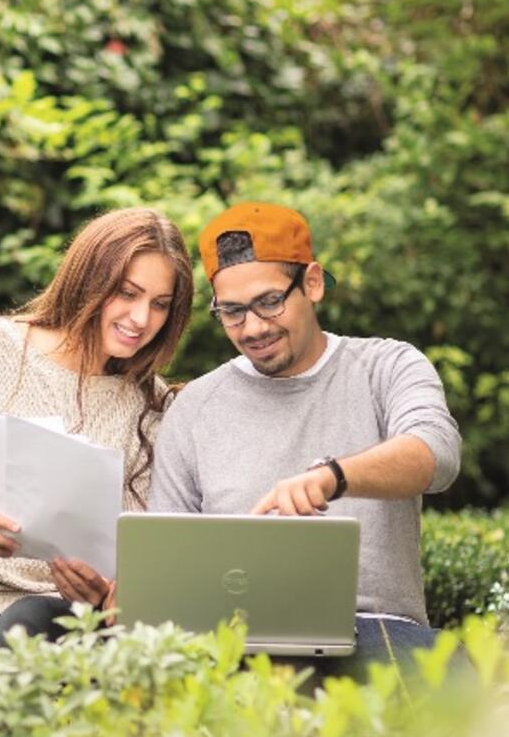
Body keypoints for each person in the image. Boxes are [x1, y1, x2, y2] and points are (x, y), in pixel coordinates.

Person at [148, 200, 462, 679]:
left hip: (377, 630)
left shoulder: (387, 366)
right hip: (237, 643)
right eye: (231, 312)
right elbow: (165, 565)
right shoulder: (193, 409)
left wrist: (333, 478)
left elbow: (436, 453)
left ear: (312, 283)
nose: (252, 328)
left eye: (269, 302)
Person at [0, 207, 194, 659]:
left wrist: (106, 590)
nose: (141, 318)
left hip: (70, 618)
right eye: (127, 293)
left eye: (160, 304)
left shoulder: (150, 407)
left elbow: (137, 551)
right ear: (89, 280)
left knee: (29, 618)